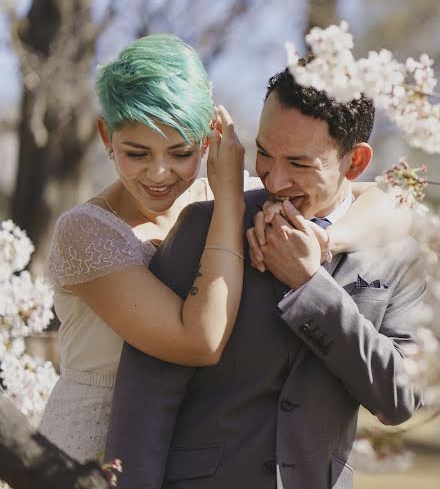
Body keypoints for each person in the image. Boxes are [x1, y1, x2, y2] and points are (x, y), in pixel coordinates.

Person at [39, 34, 409, 464]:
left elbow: (397, 204)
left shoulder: (230, 195)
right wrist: (229, 200)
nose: (159, 173)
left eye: (180, 152)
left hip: (177, 452)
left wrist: (327, 240)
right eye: (136, 153)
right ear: (107, 134)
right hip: (90, 454)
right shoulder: (86, 231)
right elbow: (201, 341)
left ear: (207, 137)